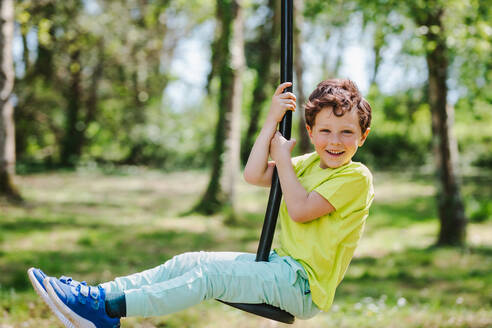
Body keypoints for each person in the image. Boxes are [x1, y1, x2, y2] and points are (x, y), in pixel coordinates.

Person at [28, 78, 374, 328]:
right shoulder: (307, 164)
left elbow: (299, 210)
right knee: (190, 260)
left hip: (302, 286)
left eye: (346, 132)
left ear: (363, 136)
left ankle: (108, 309)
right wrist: (271, 123)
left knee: (208, 277)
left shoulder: (356, 177)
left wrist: (283, 158)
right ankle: (97, 296)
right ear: (311, 132)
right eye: (326, 131)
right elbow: (253, 175)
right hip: (278, 266)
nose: (335, 141)